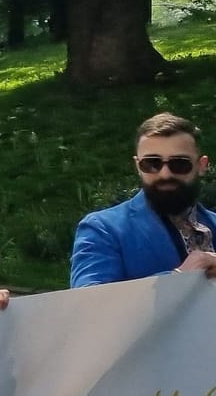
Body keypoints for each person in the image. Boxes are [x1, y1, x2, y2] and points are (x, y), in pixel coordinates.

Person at [73, 113, 216, 285]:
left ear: (202, 166)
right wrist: (180, 277)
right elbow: (89, 303)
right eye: (152, 163)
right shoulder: (103, 229)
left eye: (179, 163)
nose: (165, 174)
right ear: (138, 166)